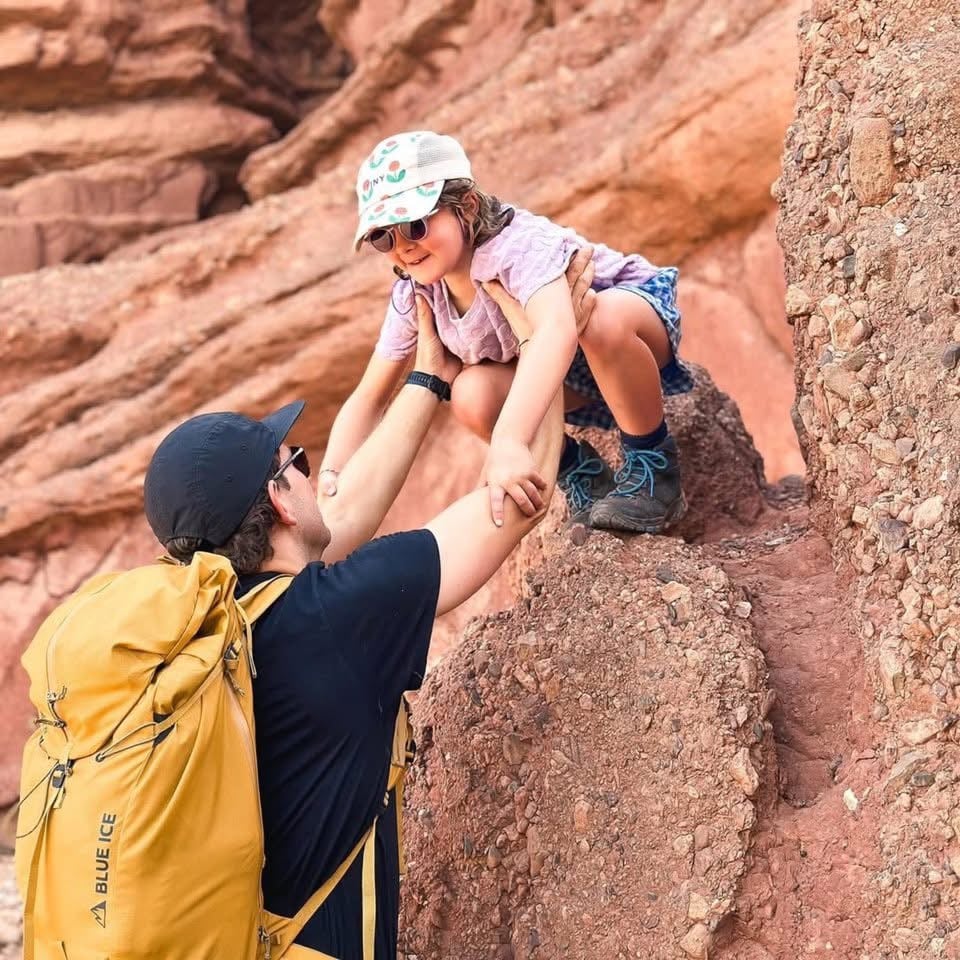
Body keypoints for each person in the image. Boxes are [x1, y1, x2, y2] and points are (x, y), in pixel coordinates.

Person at [141, 256, 596, 960]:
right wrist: (547, 336)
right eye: (294, 460)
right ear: (277, 503)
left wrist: (428, 377)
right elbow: (521, 491)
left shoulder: (203, 629)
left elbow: (341, 514)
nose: (308, 467)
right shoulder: (342, 616)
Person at [320, 130, 696, 534]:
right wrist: (332, 473)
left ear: (466, 205)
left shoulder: (516, 247)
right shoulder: (416, 291)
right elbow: (369, 397)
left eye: (415, 225)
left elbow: (556, 330)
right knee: (470, 394)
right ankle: (583, 473)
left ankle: (653, 465)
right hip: (572, 377)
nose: (403, 246)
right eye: (382, 236)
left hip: (629, 331)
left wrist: (510, 441)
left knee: (596, 318)